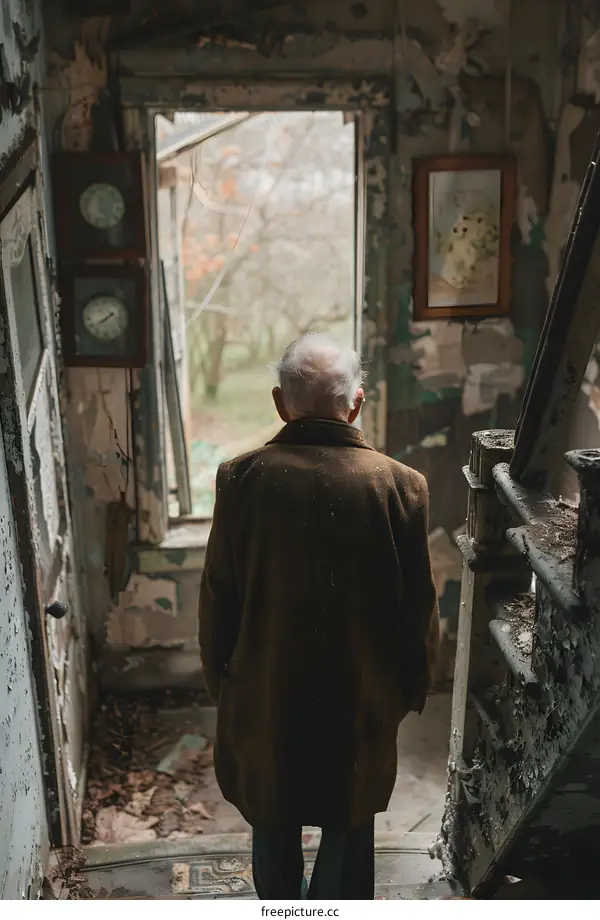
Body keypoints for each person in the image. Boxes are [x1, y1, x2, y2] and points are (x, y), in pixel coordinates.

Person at [199, 332, 440, 900]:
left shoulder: (241, 479)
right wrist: (410, 688)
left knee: (271, 812)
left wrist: (225, 686)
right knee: (350, 820)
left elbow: (219, 597)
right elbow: (418, 607)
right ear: (356, 403)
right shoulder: (401, 487)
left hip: (265, 687)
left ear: (280, 403)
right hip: (360, 691)